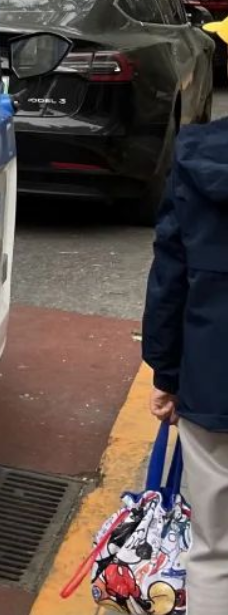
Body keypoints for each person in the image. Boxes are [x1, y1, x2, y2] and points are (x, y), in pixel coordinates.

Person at [142, 40, 228, 615]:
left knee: (213, 550)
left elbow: (169, 277)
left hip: (211, 383)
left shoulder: (198, 156)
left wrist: (167, 374)